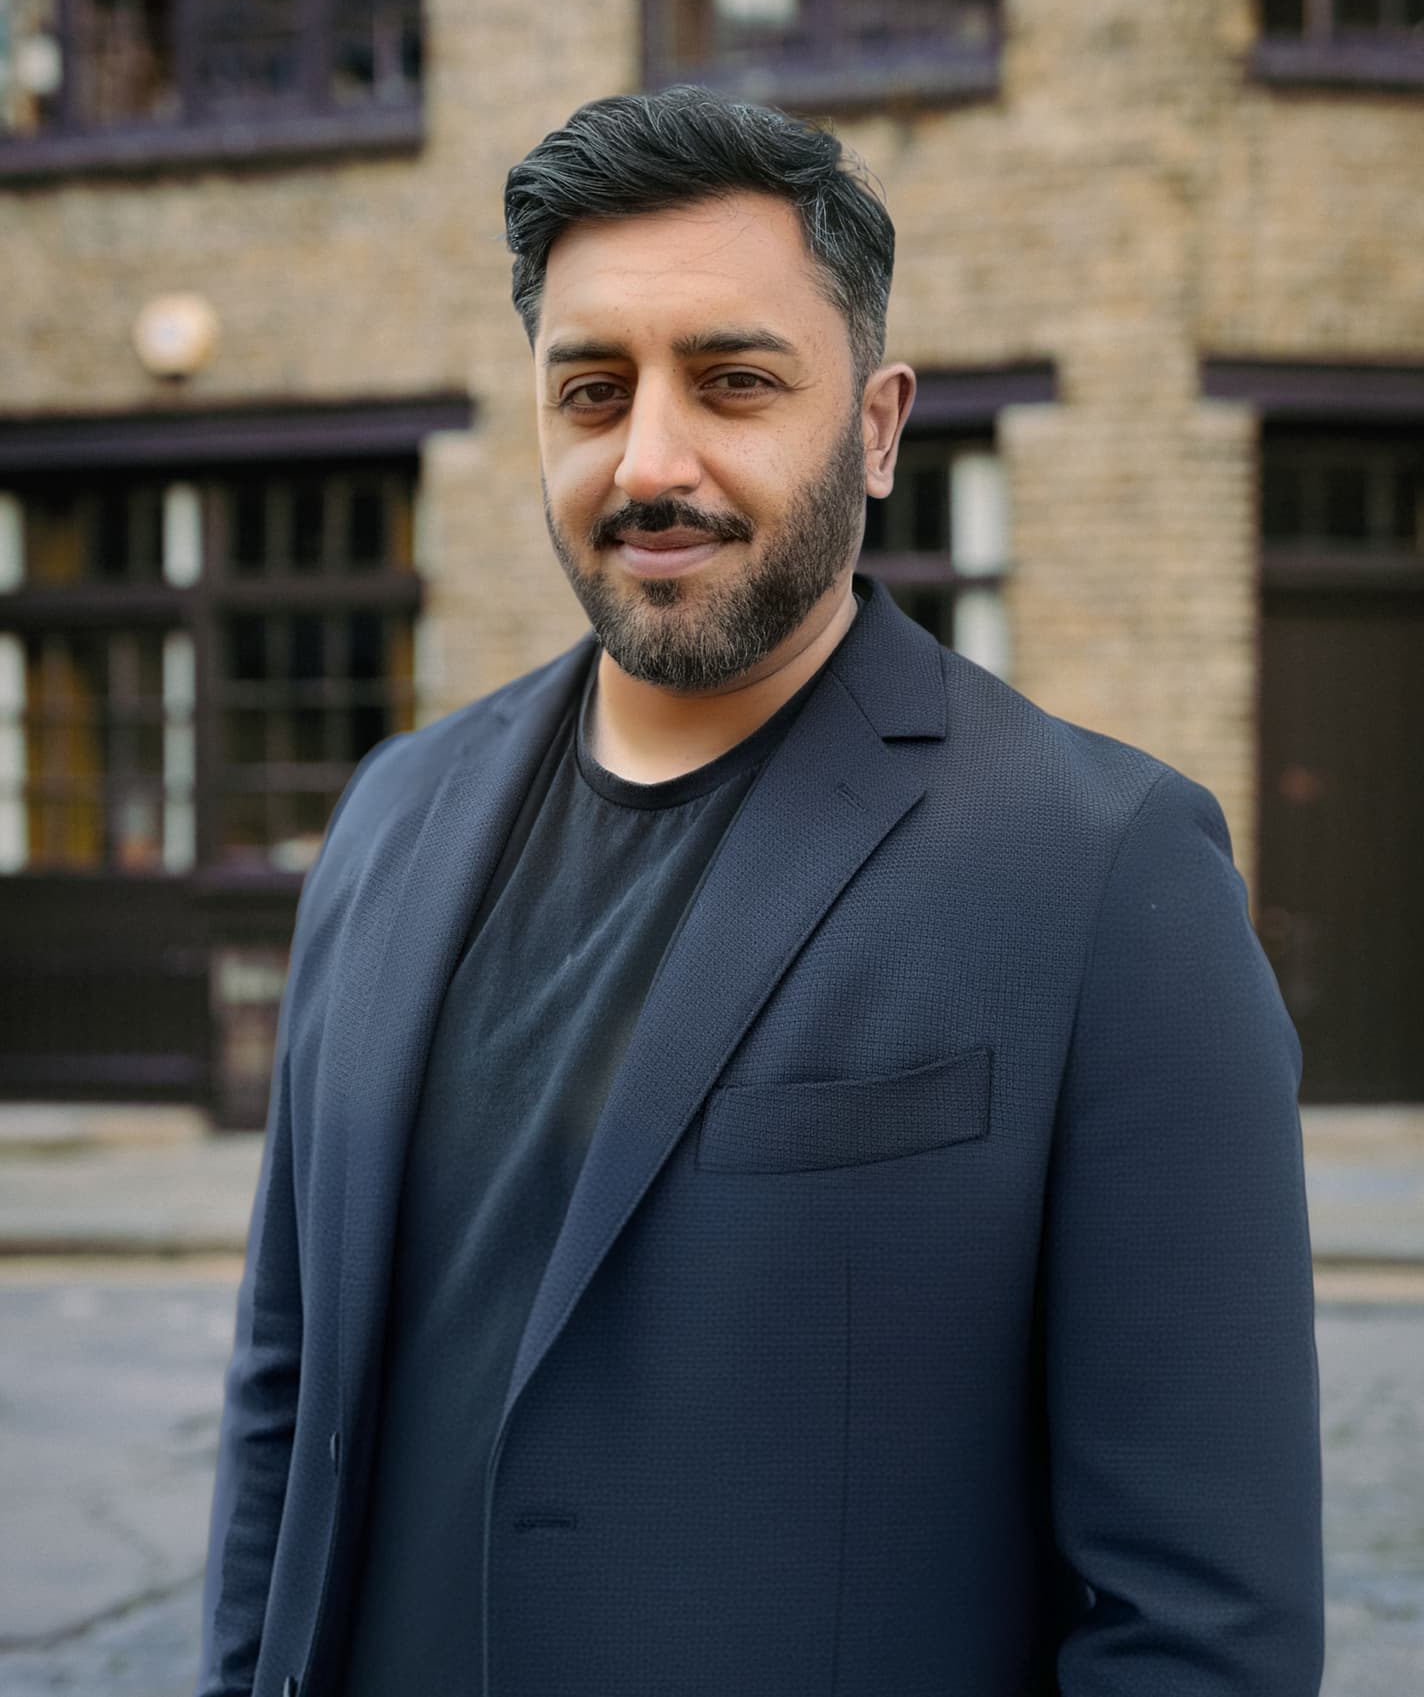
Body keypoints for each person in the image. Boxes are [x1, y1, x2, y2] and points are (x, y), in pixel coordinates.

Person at [196, 87, 1323, 1697]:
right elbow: (283, 1406)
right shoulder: (389, 817)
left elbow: (1203, 1625)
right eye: (592, 391)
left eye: (732, 382)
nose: (650, 459)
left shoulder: (1105, 873)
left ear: (875, 426)